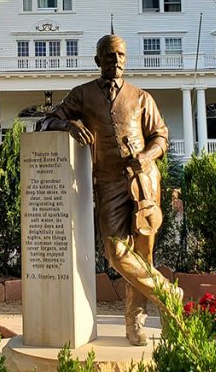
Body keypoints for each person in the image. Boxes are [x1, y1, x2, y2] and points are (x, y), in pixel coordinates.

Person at [38, 34, 179, 345]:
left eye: (121, 55)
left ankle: (135, 324)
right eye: (110, 55)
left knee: (143, 253)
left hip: (145, 182)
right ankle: (168, 293)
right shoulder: (82, 95)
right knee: (116, 253)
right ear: (97, 60)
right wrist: (69, 125)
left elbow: (161, 137)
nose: (116, 61)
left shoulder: (141, 97)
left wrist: (147, 156)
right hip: (108, 182)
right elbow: (45, 123)